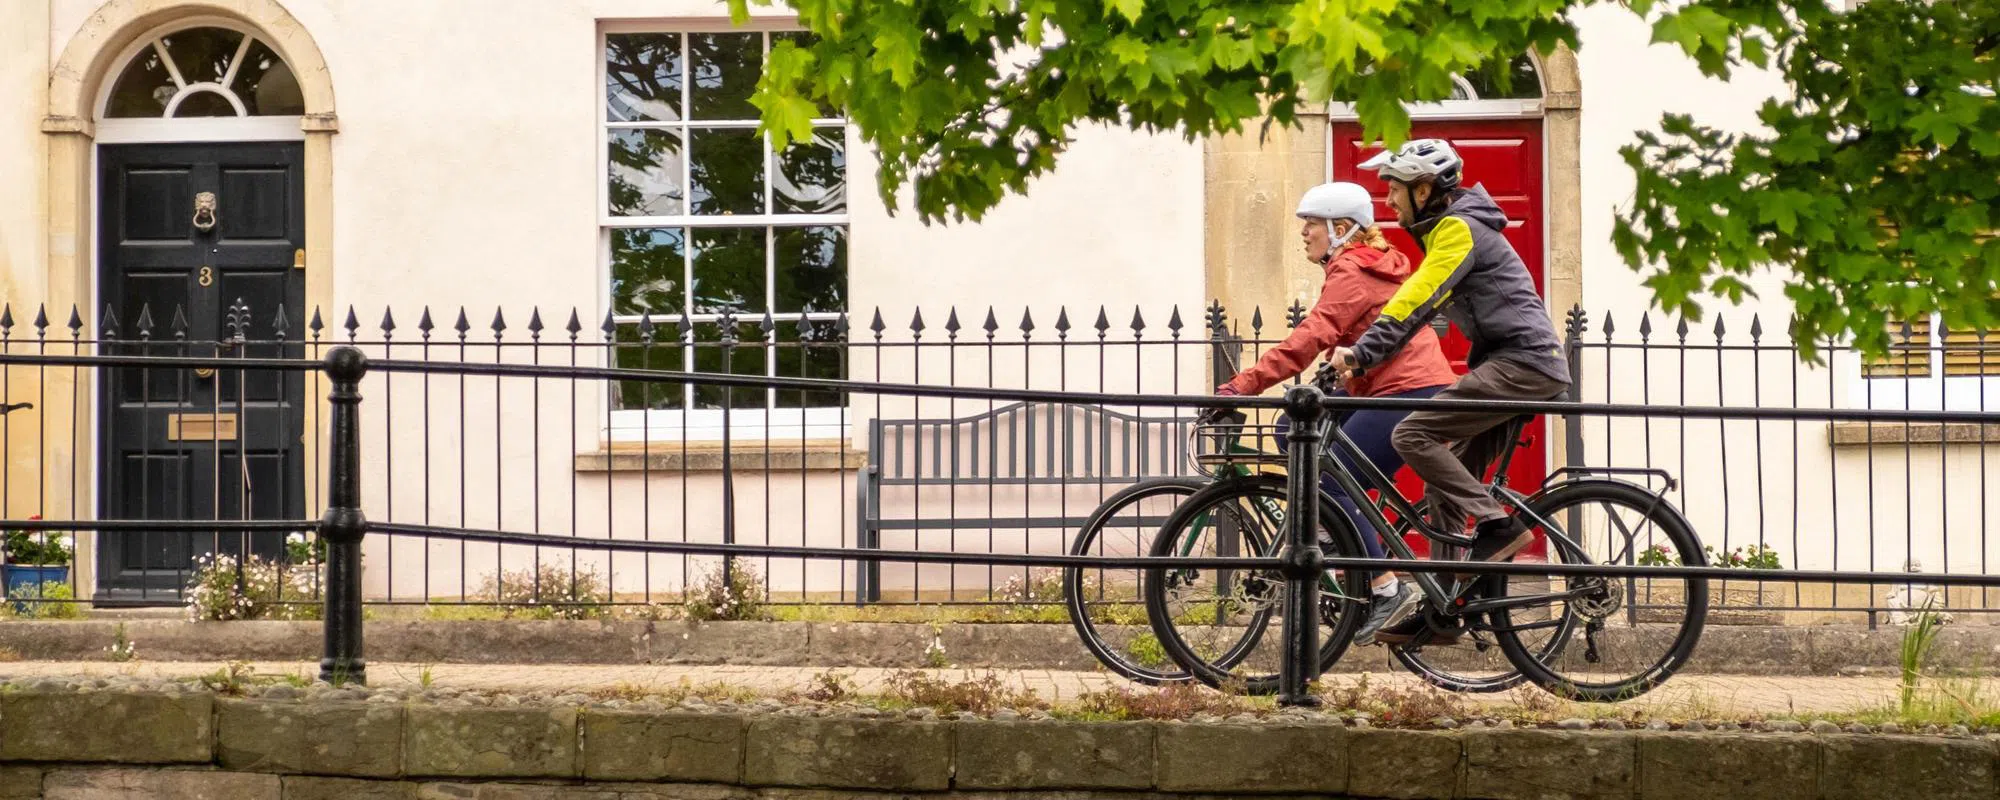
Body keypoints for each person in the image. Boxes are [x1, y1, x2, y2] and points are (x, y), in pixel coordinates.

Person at [1328, 139, 1572, 646]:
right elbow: (1428, 310)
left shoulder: (1458, 227)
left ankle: (1497, 528)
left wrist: (1362, 352)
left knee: (1413, 434)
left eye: (1394, 189)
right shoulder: (1453, 228)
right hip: (1514, 365)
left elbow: (1416, 299)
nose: (1388, 202)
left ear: (1423, 188)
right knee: (1444, 479)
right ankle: (1446, 607)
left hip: (1524, 365)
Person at [1213, 181, 1457, 644]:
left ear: (1341, 229)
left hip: (1407, 392)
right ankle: (1332, 527)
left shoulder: (1352, 270)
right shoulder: (1365, 266)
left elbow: (1312, 336)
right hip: (1392, 387)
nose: (1304, 234)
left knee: (1327, 478)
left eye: (1311, 225)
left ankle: (1386, 586)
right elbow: (1355, 336)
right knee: (1290, 429)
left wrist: (1243, 385)